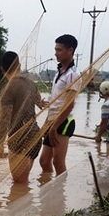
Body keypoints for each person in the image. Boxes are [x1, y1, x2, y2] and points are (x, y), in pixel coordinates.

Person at [0, 51, 44, 184]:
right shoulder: (31, 83)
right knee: (23, 183)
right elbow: (39, 102)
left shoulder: (8, 88)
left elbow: (4, 119)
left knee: (19, 184)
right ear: (20, 65)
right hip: (35, 135)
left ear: (2, 69)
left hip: (19, 138)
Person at [39, 34, 82, 176]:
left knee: (58, 162)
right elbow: (56, 102)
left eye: (59, 50)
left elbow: (69, 104)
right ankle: (47, 191)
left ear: (70, 51)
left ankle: (60, 195)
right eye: (55, 49)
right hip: (52, 120)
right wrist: (47, 123)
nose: (56, 53)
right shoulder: (61, 72)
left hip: (63, 122)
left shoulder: (73, 75)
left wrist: (55, 126)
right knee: (44, 161)